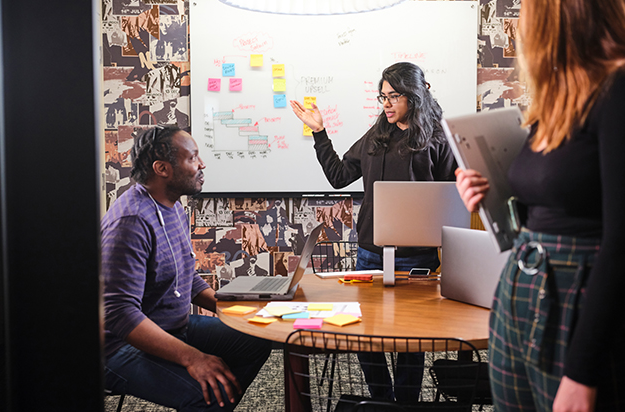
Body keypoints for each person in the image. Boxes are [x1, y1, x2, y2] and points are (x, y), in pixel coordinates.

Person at [455, 0, 625, 411]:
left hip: (575, 303)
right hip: (523, 295)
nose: (526, 22)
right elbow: (546, 201)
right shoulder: (561, 94)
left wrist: (582, 372)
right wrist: (486, 194)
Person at [290, 62, 457, 403]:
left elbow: (453, 198)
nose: (387, 104)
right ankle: (382, 398)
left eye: (394, 96)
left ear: (415, 94)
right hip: (370, 250)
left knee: (410, 338)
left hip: (416, 254)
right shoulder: (376, 135)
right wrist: (319, 133)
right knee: (366, 332)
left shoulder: (439, 138)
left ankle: (406, 402)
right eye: (382, 97)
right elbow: (338, 176)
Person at [102, 125, 271, 411]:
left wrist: (230, 309)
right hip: (120, 346)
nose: (202, 164)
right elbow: (120, 314)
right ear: (162, 168)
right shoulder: (131, 221)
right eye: (193, 158)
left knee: (256, 339)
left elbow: (185, 277)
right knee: (209, 395)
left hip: (171, 327)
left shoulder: (172, 206)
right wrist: (193, 358)